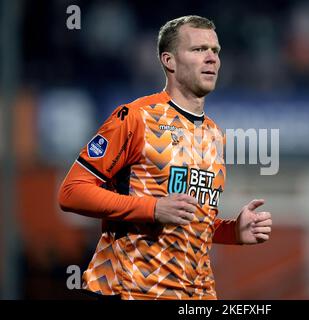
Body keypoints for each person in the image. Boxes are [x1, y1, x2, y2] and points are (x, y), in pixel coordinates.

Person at [58, 15, 272, 300]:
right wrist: (153, 208)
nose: (212, 59)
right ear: (169, 61)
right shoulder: (136, 118)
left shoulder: (214, 134)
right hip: (131, 290)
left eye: (215, 51)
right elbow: (71, 192)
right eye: (198, 50)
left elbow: (189, 220)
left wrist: (232, 232)